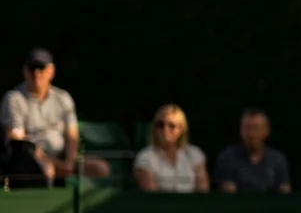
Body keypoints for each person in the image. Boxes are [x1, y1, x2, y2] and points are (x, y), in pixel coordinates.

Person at [1, 47, 110, 183]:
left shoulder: (63, 98)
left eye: (41, 68)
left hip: (63, 157)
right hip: (32, 161)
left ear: (51, 71)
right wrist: (52, 162)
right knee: (47, 169)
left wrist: (69, 163)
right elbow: (17, 142)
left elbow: (72, 135)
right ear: (24, 71)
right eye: (32, 68)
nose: (36, 74)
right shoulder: (13, 98)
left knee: (100, 168)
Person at [133, 104, 209, 193]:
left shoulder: (195, 154)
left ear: (181, 129)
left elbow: (202, 190)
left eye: (171, 125)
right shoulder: (145, 157)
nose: (165, 129)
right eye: (160, 125)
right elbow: (151, 194)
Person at [214, 107, 292, 193]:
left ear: (266, 131)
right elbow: (229, 195)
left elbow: (284, 191)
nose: (251, 134)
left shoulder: (277, 159)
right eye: (247, 129)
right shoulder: (228, 157)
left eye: (256, 129)